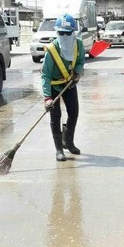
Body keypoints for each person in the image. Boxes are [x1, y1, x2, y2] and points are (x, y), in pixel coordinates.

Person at [42, 13, 85, 162]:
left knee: (73, 112)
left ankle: (68, 142)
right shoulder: (52, 50)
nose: (64, 36)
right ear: (57, 33)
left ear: (73, 32)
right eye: (61, 33)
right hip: (54, 86)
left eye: (68, 33)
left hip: (69, 84)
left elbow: (80, 62)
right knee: (56, 116)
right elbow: (45, 75)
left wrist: (78, 72)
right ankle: (59, 149)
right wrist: (47, 98)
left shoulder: (78, 45)